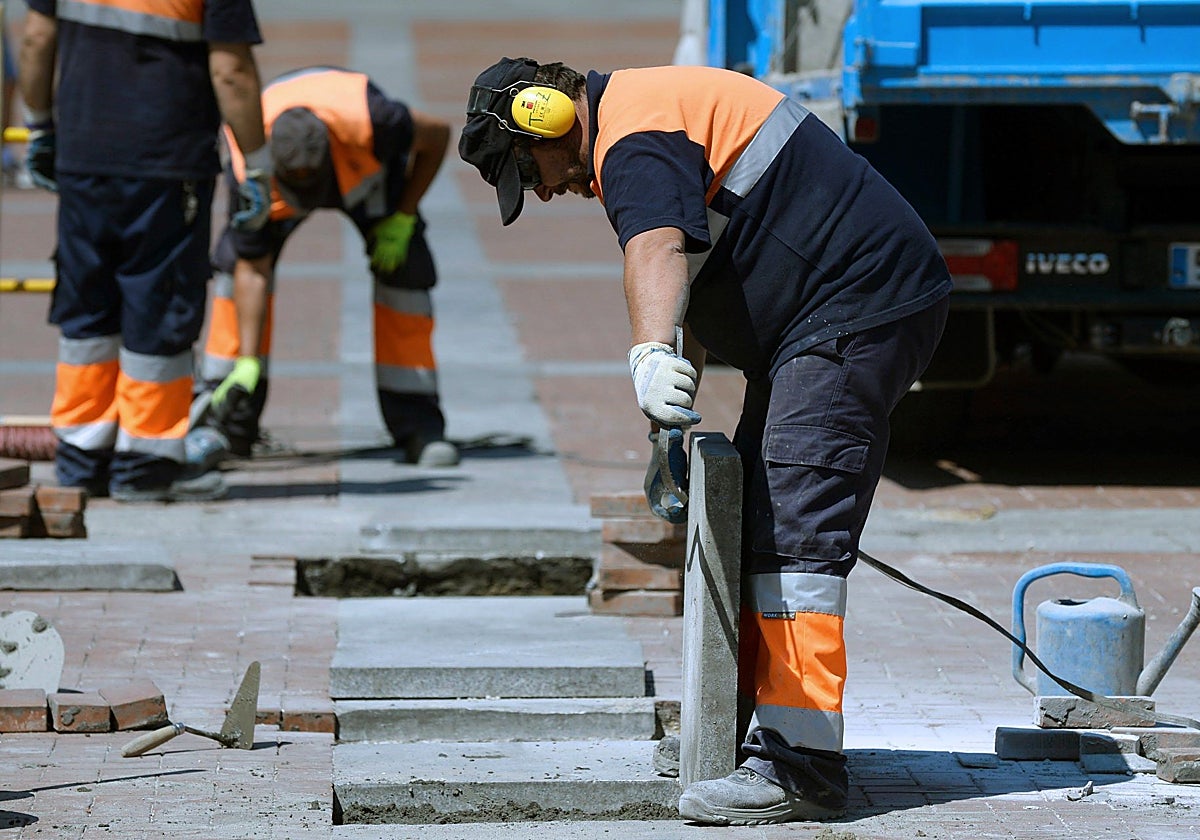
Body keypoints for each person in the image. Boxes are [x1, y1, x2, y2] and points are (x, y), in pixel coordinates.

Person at [459, 57, 952, 825]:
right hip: (828, 318)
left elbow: (654, 252)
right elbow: (688, 265)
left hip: (855, 309)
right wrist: (666, 429)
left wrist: (650, 357)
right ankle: (738, 737)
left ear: (550, 116)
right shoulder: (642, 123)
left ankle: (802, 767)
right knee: (757, 515)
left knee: (795, 531)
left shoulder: (635, 133)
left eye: (533, 168)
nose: (548, 188)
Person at [18, 0, 272, 502]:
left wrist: (42, 126)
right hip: (165, 162)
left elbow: (34, 40)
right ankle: (146, 462)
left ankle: (82, 457)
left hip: (84, 157)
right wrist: (256, 163)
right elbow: (232, 71)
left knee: (88, 301)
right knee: (159, 302)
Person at [190, 65, 457, 468]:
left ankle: (419, 424)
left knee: (406, 275)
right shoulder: (250, 162)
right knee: (234, 271)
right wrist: (247, 359)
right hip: (274, 176)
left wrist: (403, 215)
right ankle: (228, 421)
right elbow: (253, 270)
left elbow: (437, 136)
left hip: (367, 172)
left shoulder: (377, 121)